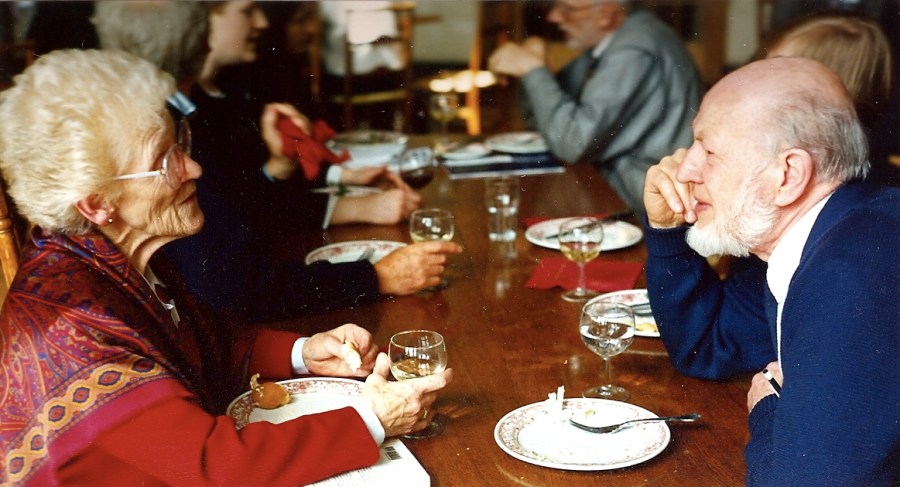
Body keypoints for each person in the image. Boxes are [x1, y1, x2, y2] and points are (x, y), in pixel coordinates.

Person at [0, 48, 453, 485]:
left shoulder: (111, 256)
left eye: (181, 144)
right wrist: (373, 419)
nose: (193, 168)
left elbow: (203, 342)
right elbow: (215, 467)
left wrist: (303, 352)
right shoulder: (70, 328)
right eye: (165, 162)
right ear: (97, 204)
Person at [93, 1, 463, 323]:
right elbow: (238, 287)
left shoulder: (192, 108)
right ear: (199, 29)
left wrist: (289, 173)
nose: (262, 23)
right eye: (246, 10)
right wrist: (376, 277)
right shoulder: (165, 132)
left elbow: (243, 205)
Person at [642, 56, 899, 485]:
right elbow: (707, 346)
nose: (684, 169)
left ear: (788, 176)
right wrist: (667, 228)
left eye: (709, 150)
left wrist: (769, 410)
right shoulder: (810, 237)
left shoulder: (850, 275)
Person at [646, 10, 896, 380]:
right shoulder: (780, 212)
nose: (752, 80)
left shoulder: (840, 235)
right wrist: (667, 227)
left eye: (779, 70)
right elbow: (711, 343)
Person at [487, 0, 702, 213]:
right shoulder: (615, 41)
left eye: (566, 9)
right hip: (623, 185)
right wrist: (540, 65)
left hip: (650, 200)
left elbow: (571, 143)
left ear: (605, 15)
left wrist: (532, 69)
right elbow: (546, 122)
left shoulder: (633, 49)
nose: (553, 16)